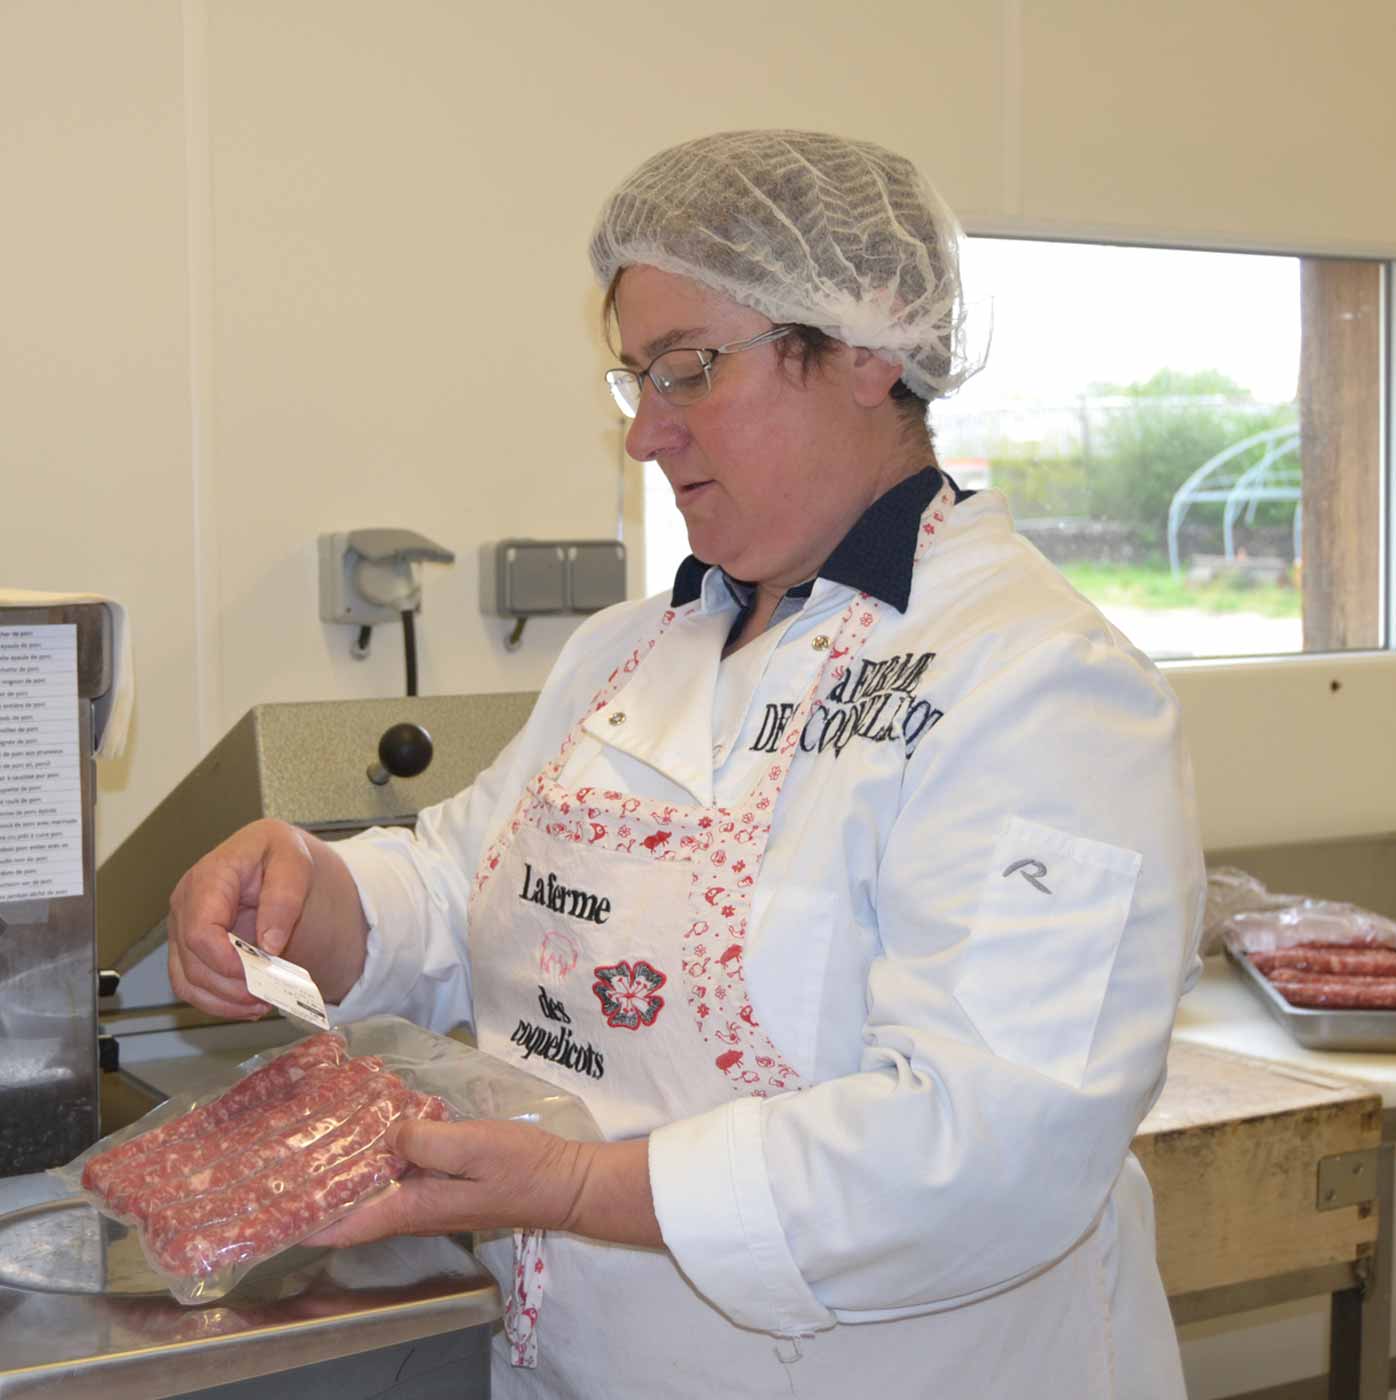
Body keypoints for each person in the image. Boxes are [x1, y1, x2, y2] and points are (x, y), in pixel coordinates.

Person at [168, 129, 1205, 1398]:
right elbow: (468, 885)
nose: (645, 436)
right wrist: (313, 897)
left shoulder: (1038, 684)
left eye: (689, 371)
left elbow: (992, 1141)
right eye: (636, 380)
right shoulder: (633, 647)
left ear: (867, 349)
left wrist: (581, 1187)